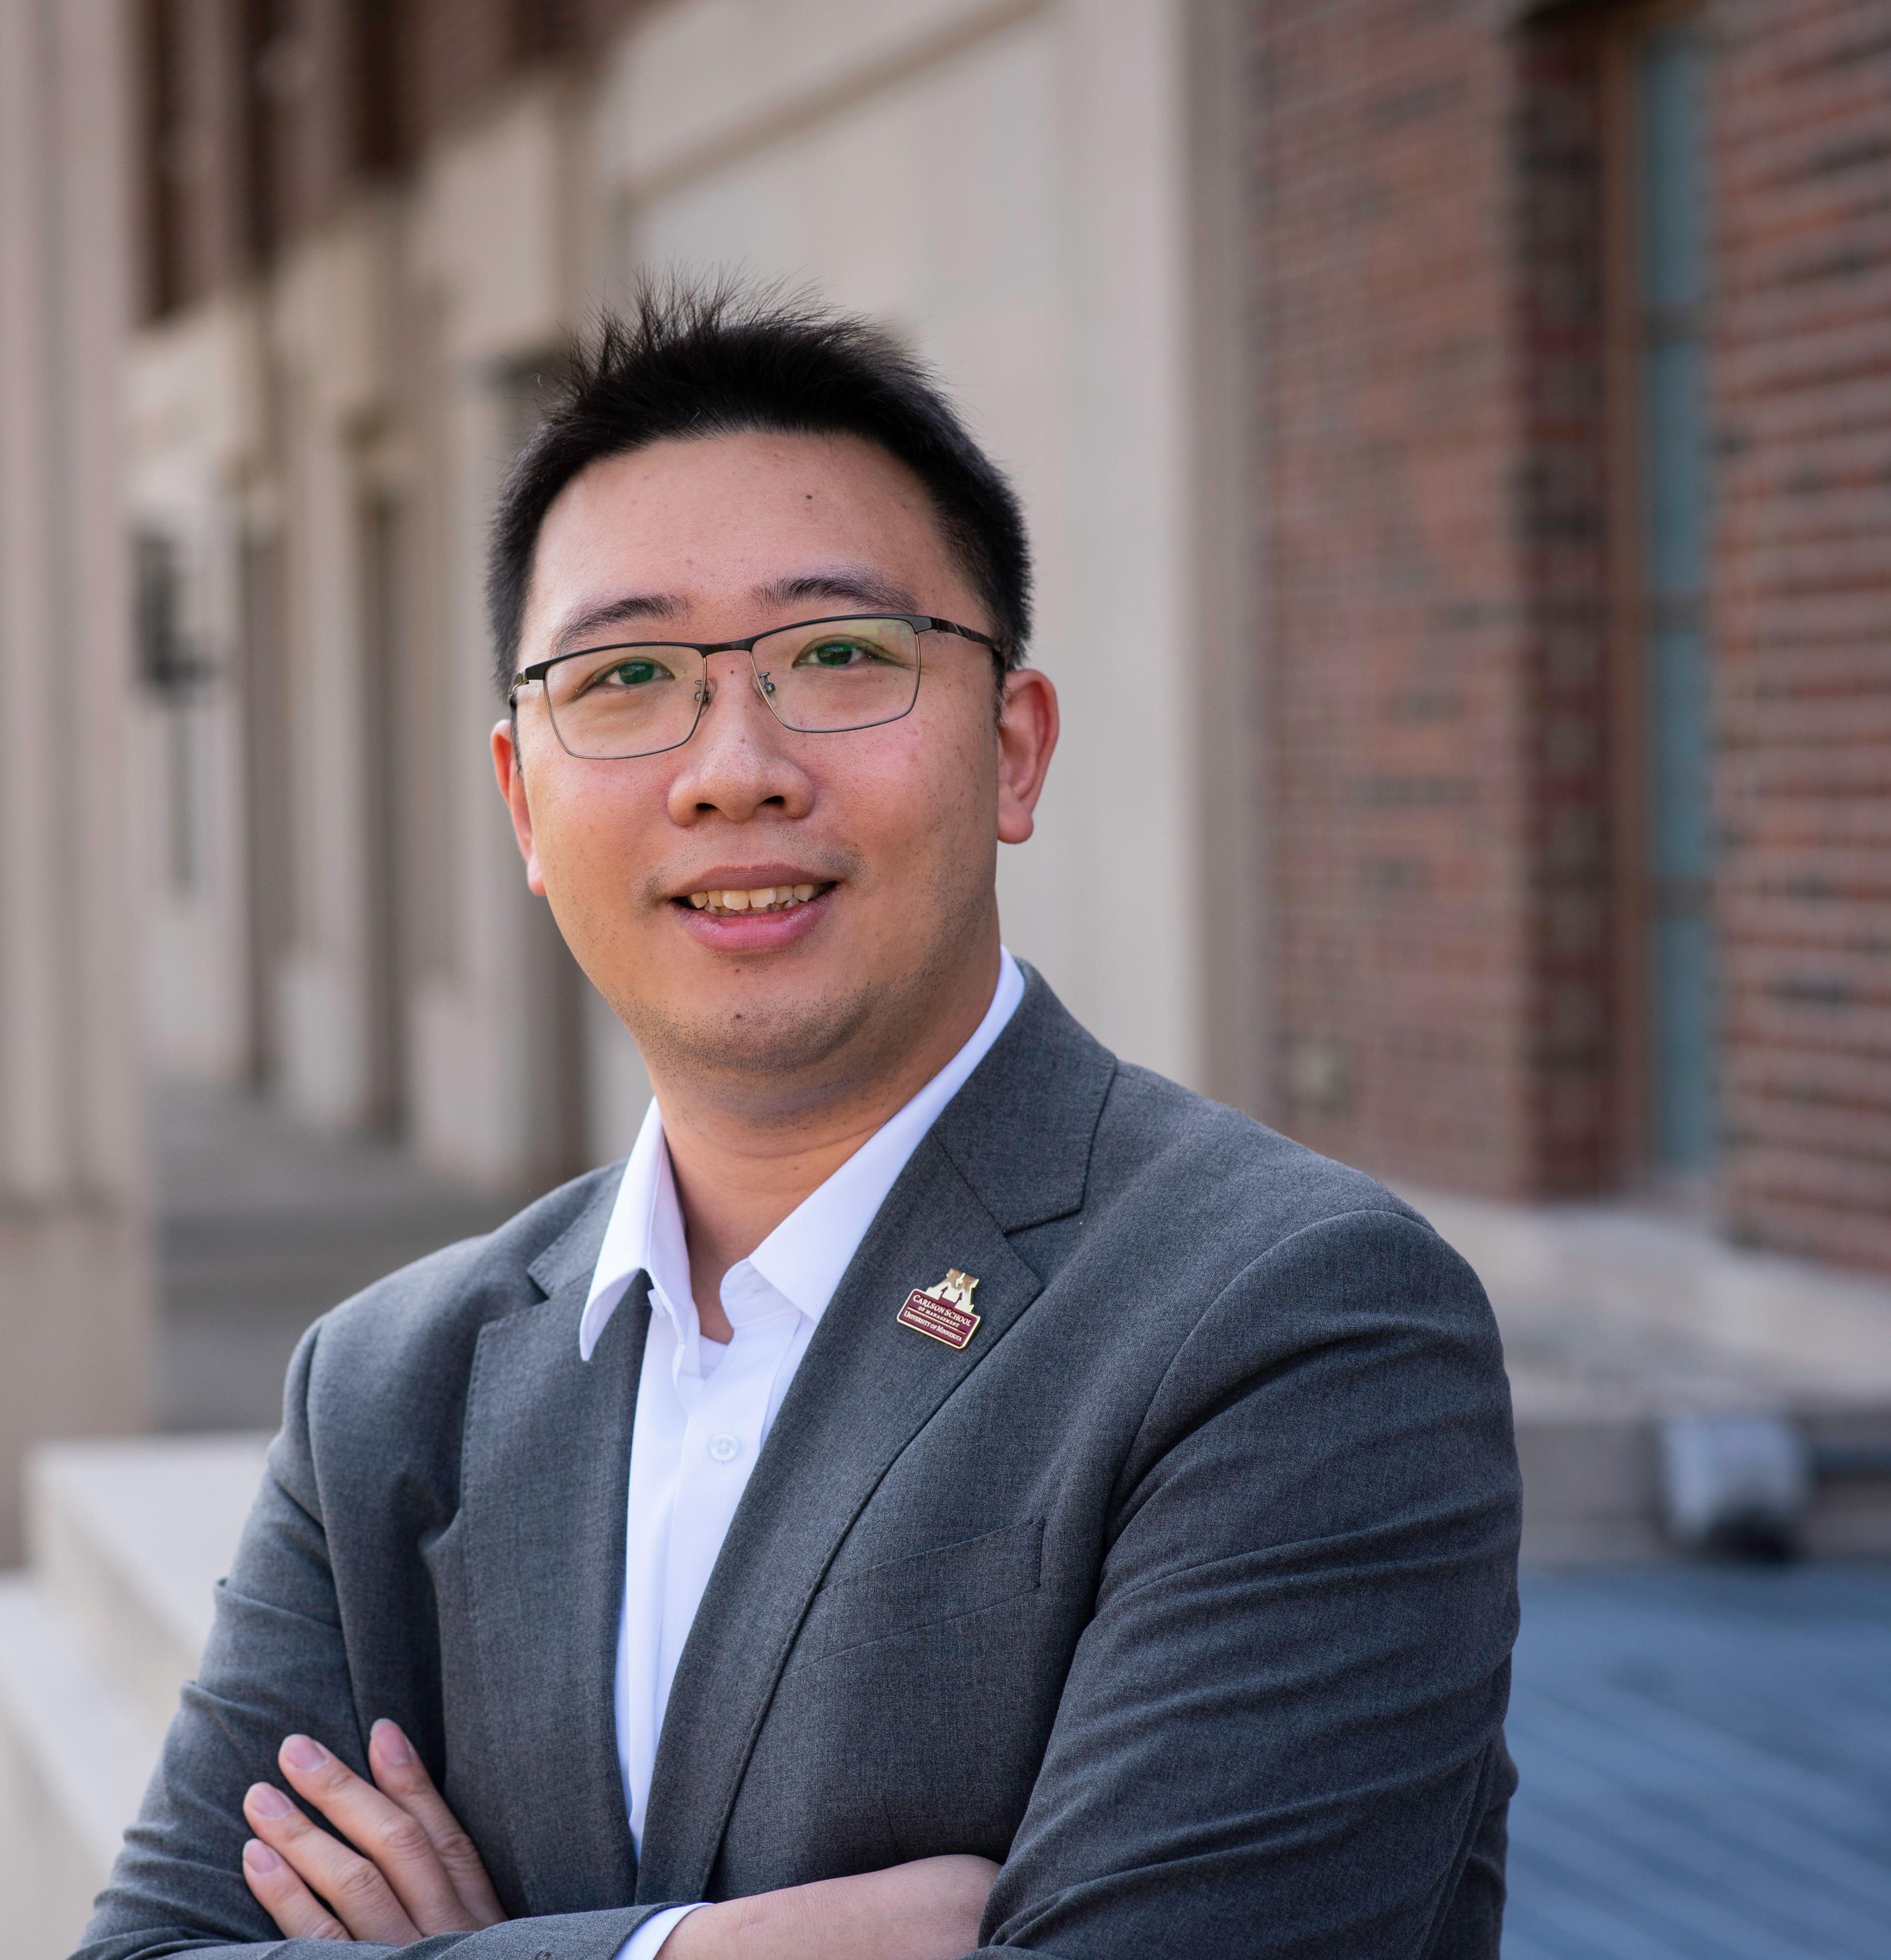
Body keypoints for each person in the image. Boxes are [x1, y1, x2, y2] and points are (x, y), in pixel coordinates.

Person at [76, 286, 1520, 1960]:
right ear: (523, 801)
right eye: (625, 678)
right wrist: (701, 1952)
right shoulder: (393, 1385)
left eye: (839, 655)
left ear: (1013, 751)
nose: (732, 768)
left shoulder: (1297, 1320)